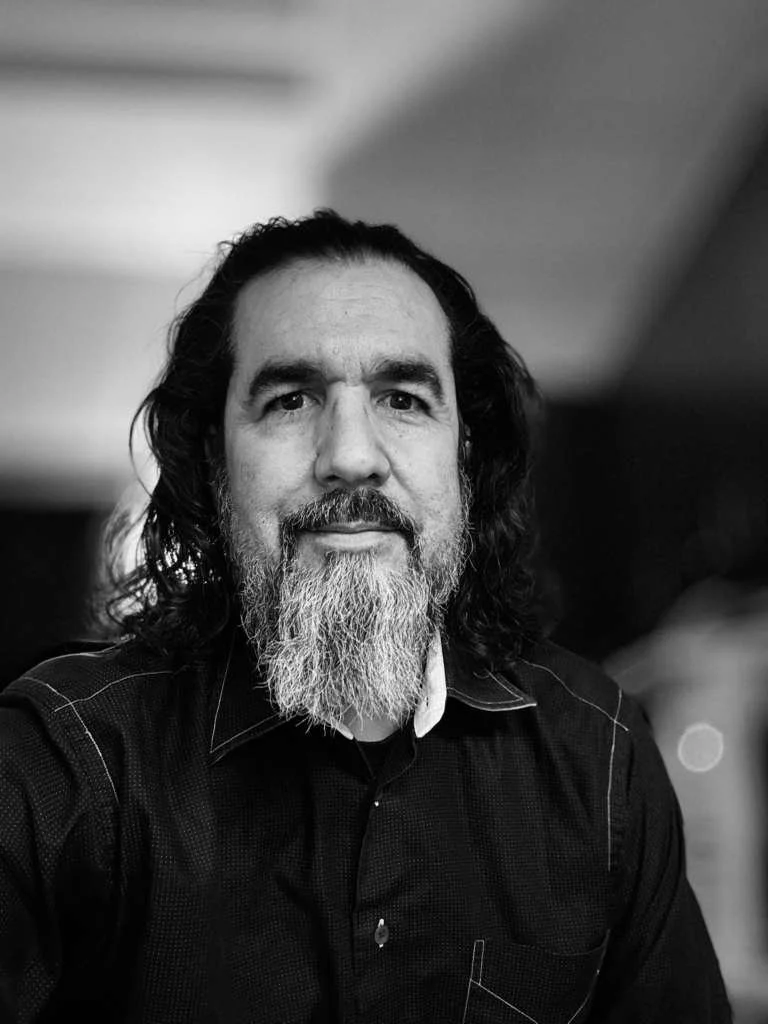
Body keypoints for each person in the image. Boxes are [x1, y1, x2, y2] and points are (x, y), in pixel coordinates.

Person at [0, 210, 732, 1023]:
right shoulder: (61, 764)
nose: (350, 454)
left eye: (403, 399)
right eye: (289, 400)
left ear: (465, 457)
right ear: (213, 464)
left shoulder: (600, 760)